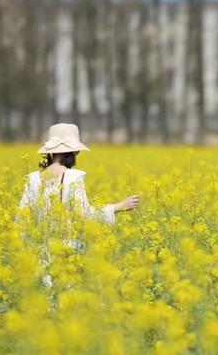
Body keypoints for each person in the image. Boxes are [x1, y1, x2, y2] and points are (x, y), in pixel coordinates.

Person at [19, 123, 140, 287]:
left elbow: (21, 222)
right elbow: (85, 214)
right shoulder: (73, 178)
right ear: (74, 151)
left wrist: (28, 257)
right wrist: (119, 206)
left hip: (41, 257)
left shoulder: (32, 179)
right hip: (69, 255)